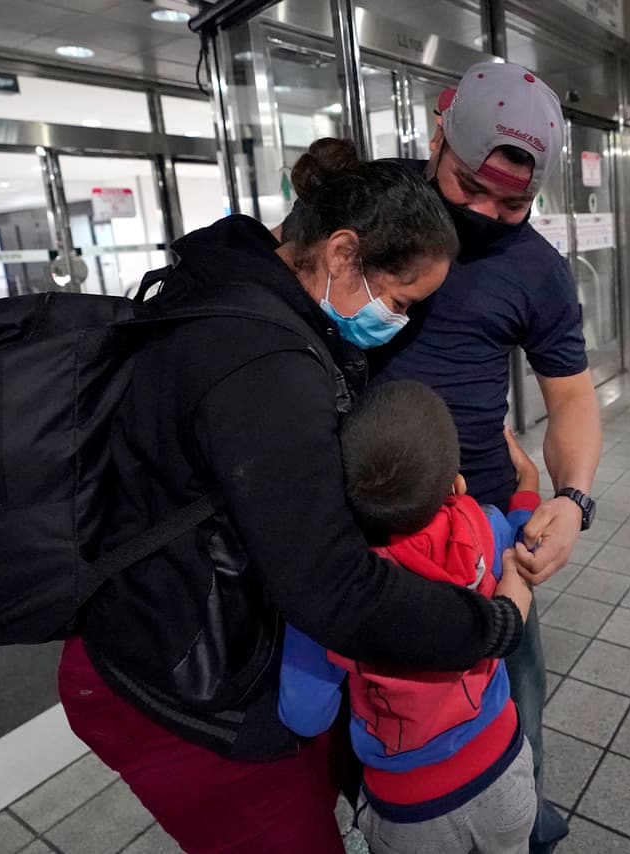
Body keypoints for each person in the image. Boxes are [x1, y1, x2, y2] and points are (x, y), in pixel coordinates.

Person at [57, 138, 533, 854]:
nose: (396, 323)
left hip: (232, 645)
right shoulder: (260, 360)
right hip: (179, 681)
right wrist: (491, 626)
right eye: (399, 302)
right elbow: (331, 587)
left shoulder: (244, 285)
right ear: (343, 254)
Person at [371, 62, 605, 853]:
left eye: (513, 203)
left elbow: (571, 397)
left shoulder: (536, 268)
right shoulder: (373, 207)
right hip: (369, 508)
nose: (485, 213)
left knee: (511, 684)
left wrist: (572, 501)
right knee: (373, 692)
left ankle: (522, 812)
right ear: (436, 136)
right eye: (469, 186)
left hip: (485, 523)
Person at [278, 380, 542, 854]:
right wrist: (528, 486)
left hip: (410, 810)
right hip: (504, 772)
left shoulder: (335, 588)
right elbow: (525, 540)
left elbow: (305, 713)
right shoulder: (485, 525)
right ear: (455, 482)